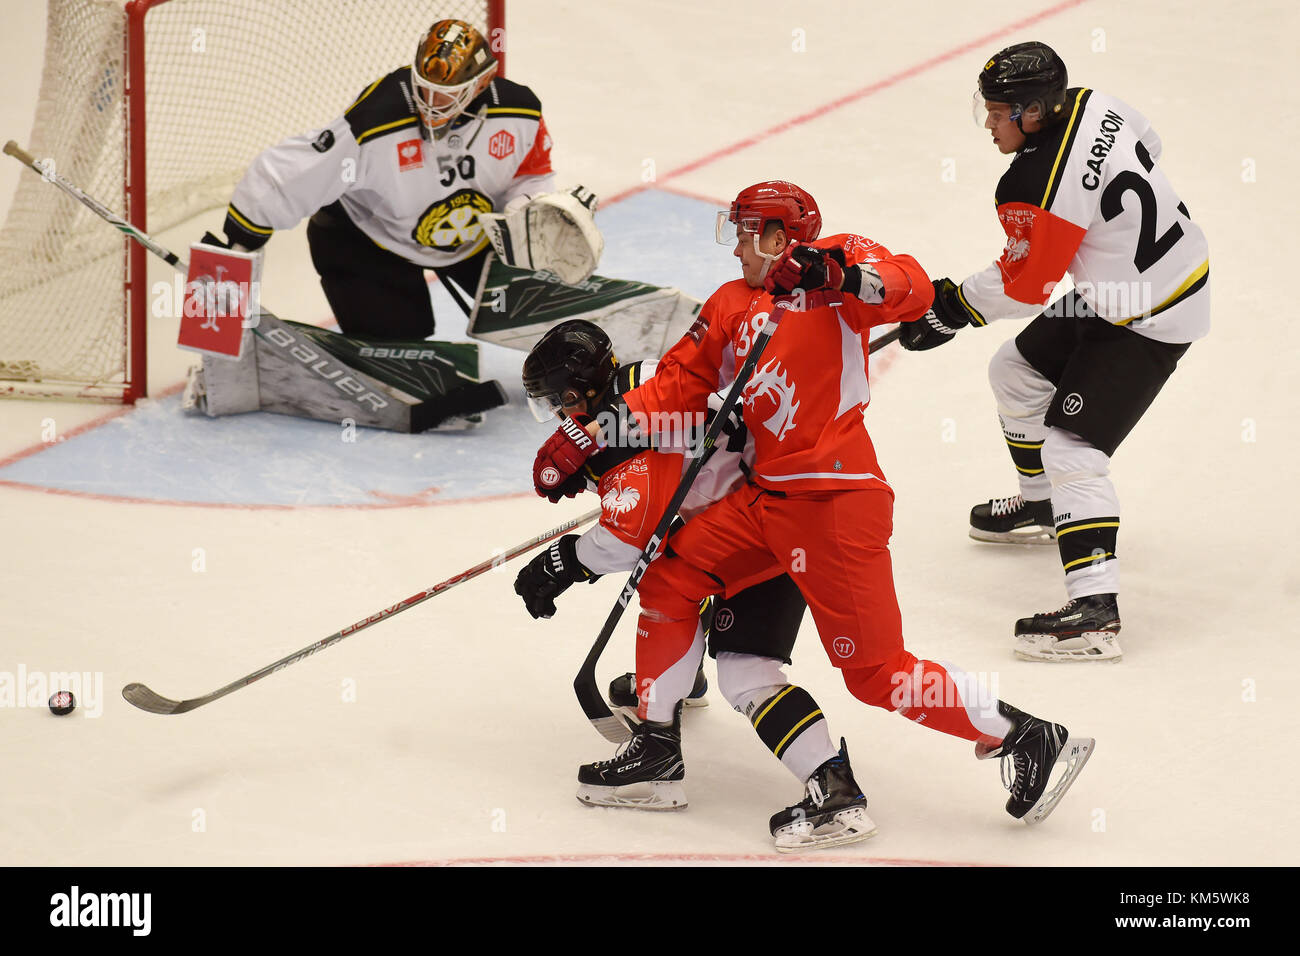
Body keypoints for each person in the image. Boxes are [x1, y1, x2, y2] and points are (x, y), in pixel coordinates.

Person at [532, 181, 1095, 829]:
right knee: (674, 570)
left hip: (833, 497)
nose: (735, 248)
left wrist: (841, 276)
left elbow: (908, 285)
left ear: (779, 237)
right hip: (764, 500)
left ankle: (1022, 732)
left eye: (745, 234)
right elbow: (677, 389)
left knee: (876, 672)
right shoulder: (729, 302)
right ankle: (657, 750)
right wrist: (593, 433)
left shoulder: (835, 274)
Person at [900, 41, 1210, 662]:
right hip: (1128, 287)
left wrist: (952, 305)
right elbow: (1149, 147)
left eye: (999, 113)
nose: (989, 124)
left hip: (1154, 315)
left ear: (1036, 112)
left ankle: (1095, 613)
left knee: (1073, 447)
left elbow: (1024, 284)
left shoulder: (1032, 181)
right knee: (1013, 372)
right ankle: (1043, 505)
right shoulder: (1099, 104)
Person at [513, 320, 875, 851]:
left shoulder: (631, 425)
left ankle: (823, 787)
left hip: (764, 532)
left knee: (736, 660)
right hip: (769, 515)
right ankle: (676, 693)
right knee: (674, 571)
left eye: (554, 403)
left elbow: (626, 539)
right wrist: (594, 463)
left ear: (574, 393)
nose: (555, 414)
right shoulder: (640, 384)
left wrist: (563, 560)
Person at [215, 18, 555, 339]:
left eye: (446, 94)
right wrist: (239, 246)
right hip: (373, 243)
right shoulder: (376, 121)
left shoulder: (520, 113)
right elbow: (290, 174)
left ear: (482, 82)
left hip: (474, 240)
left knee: (547, 317)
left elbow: (531, 174)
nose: (431, 103)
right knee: (403, 358)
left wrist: (524, 206)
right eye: (424, 88)